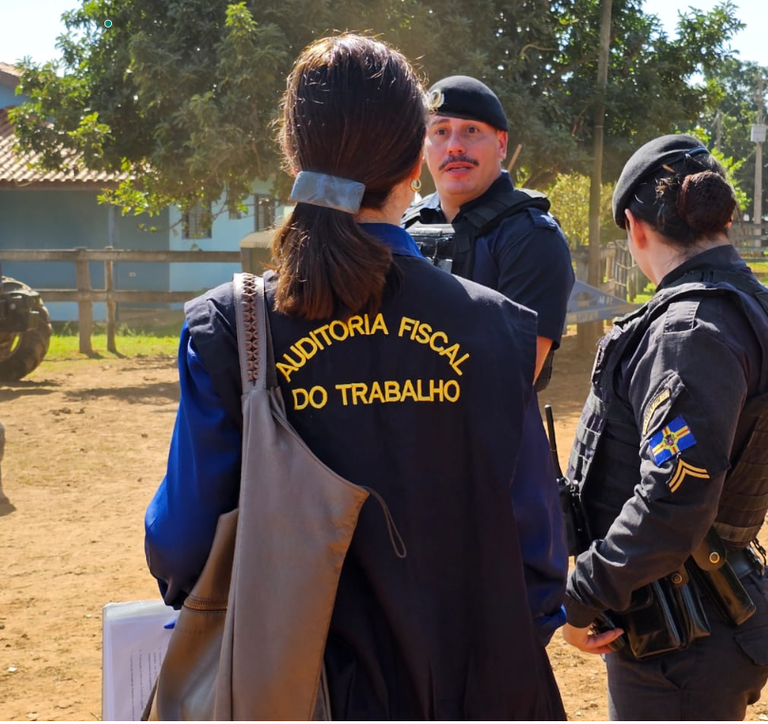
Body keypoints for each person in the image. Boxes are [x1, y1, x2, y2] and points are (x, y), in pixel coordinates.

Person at [145, 34, 567, 720]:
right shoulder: (498, 328)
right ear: (414, 160)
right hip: (479, 688)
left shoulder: (229, 327)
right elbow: (538, 559)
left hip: (292, 690)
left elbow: (182, 546)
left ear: (293, 154)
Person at [561, 134, 768, 720]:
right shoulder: (746, 306)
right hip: (706, 621)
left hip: (681, 643)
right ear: (722, 219)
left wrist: (582, 597)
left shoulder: (689, 330)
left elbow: (672, 501)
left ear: (634, 225)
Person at [402, 75, 574, 389]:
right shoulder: (401, 226)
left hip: (490, 436)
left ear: (501, 144)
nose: (454, 146)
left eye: (472, 130)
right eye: (440, 131)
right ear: (423, 148)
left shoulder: (532, 237)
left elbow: (508, 382)